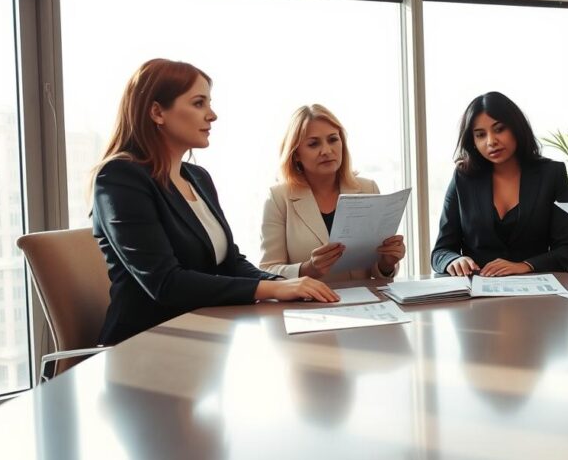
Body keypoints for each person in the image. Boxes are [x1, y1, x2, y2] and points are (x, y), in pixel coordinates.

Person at [92, 59, 338, 345]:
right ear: (157, 112)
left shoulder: (197, 177)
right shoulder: (120, 178)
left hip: (204, 336)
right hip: (146, 346)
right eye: (199, 104)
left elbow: (230, 262)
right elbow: (166, 283)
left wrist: (286, 285)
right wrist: (270, 289)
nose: (212, 115)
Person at [432, 91, 568, 277]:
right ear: (473, 141)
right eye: (480, 135)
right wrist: (454, 260)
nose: (491, 141)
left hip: (537, 293)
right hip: (476, 294)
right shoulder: (464, 178)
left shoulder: (552, 174)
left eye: (499, 129)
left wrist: (525, 265)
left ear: (516, 128)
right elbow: (440, 252)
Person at [259, 104, 405, 281]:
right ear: (296, 154)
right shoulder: (278, 198)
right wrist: (307, 269)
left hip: (365, 305)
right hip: (306, 305)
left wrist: (388, 263)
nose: (327, 151)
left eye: (333, 140)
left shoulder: (368, 189)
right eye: (313, 144)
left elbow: (377, 270)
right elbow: (267, 271)